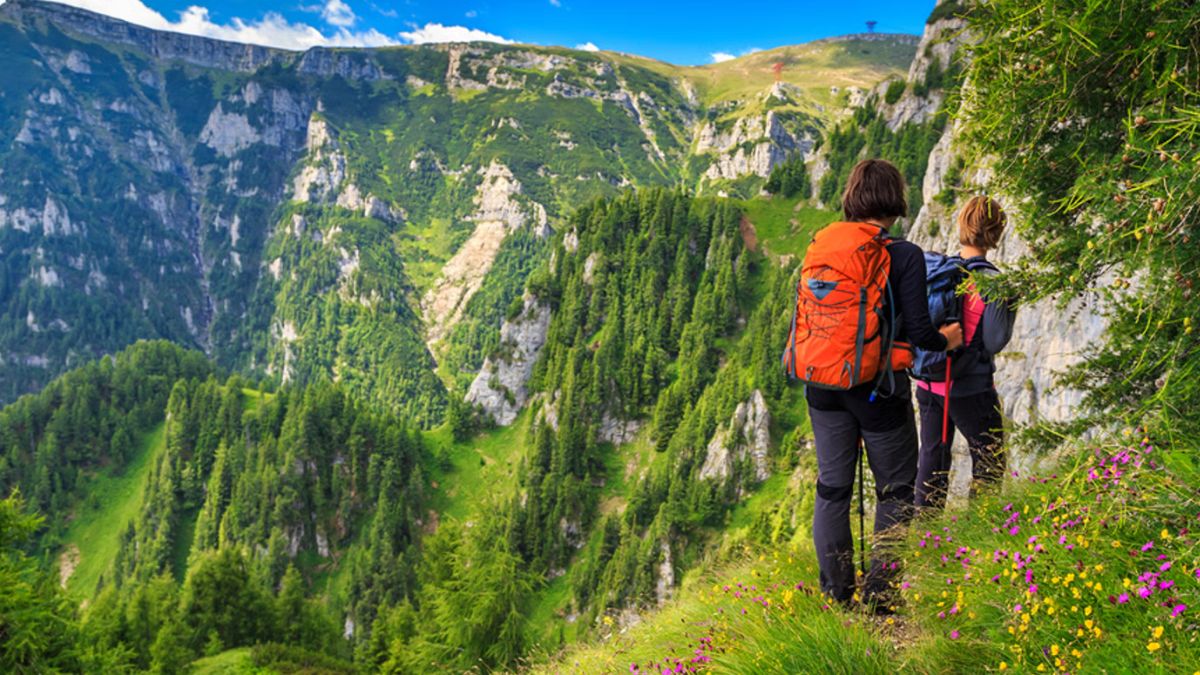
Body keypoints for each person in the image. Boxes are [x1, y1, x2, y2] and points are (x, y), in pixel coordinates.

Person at [803, 159, 962, 610]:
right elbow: (920, 331)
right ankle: (881, 595)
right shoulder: (903, 254)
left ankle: (837, 593)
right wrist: (947, 339)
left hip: (822, 383)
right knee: (894, 489)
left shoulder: (825, 243)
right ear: (895, 200)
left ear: (853, 195)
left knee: (832, 487)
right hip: (879, 389)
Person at [914, 196, 1016, 510]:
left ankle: (924, 540)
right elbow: (995, 341)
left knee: (932, 461)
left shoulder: (938, 271)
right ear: (996, 233)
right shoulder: (995, 282)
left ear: (962, 226)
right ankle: (979, 536)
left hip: (929, 383)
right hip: (971, 387)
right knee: (989, 460)